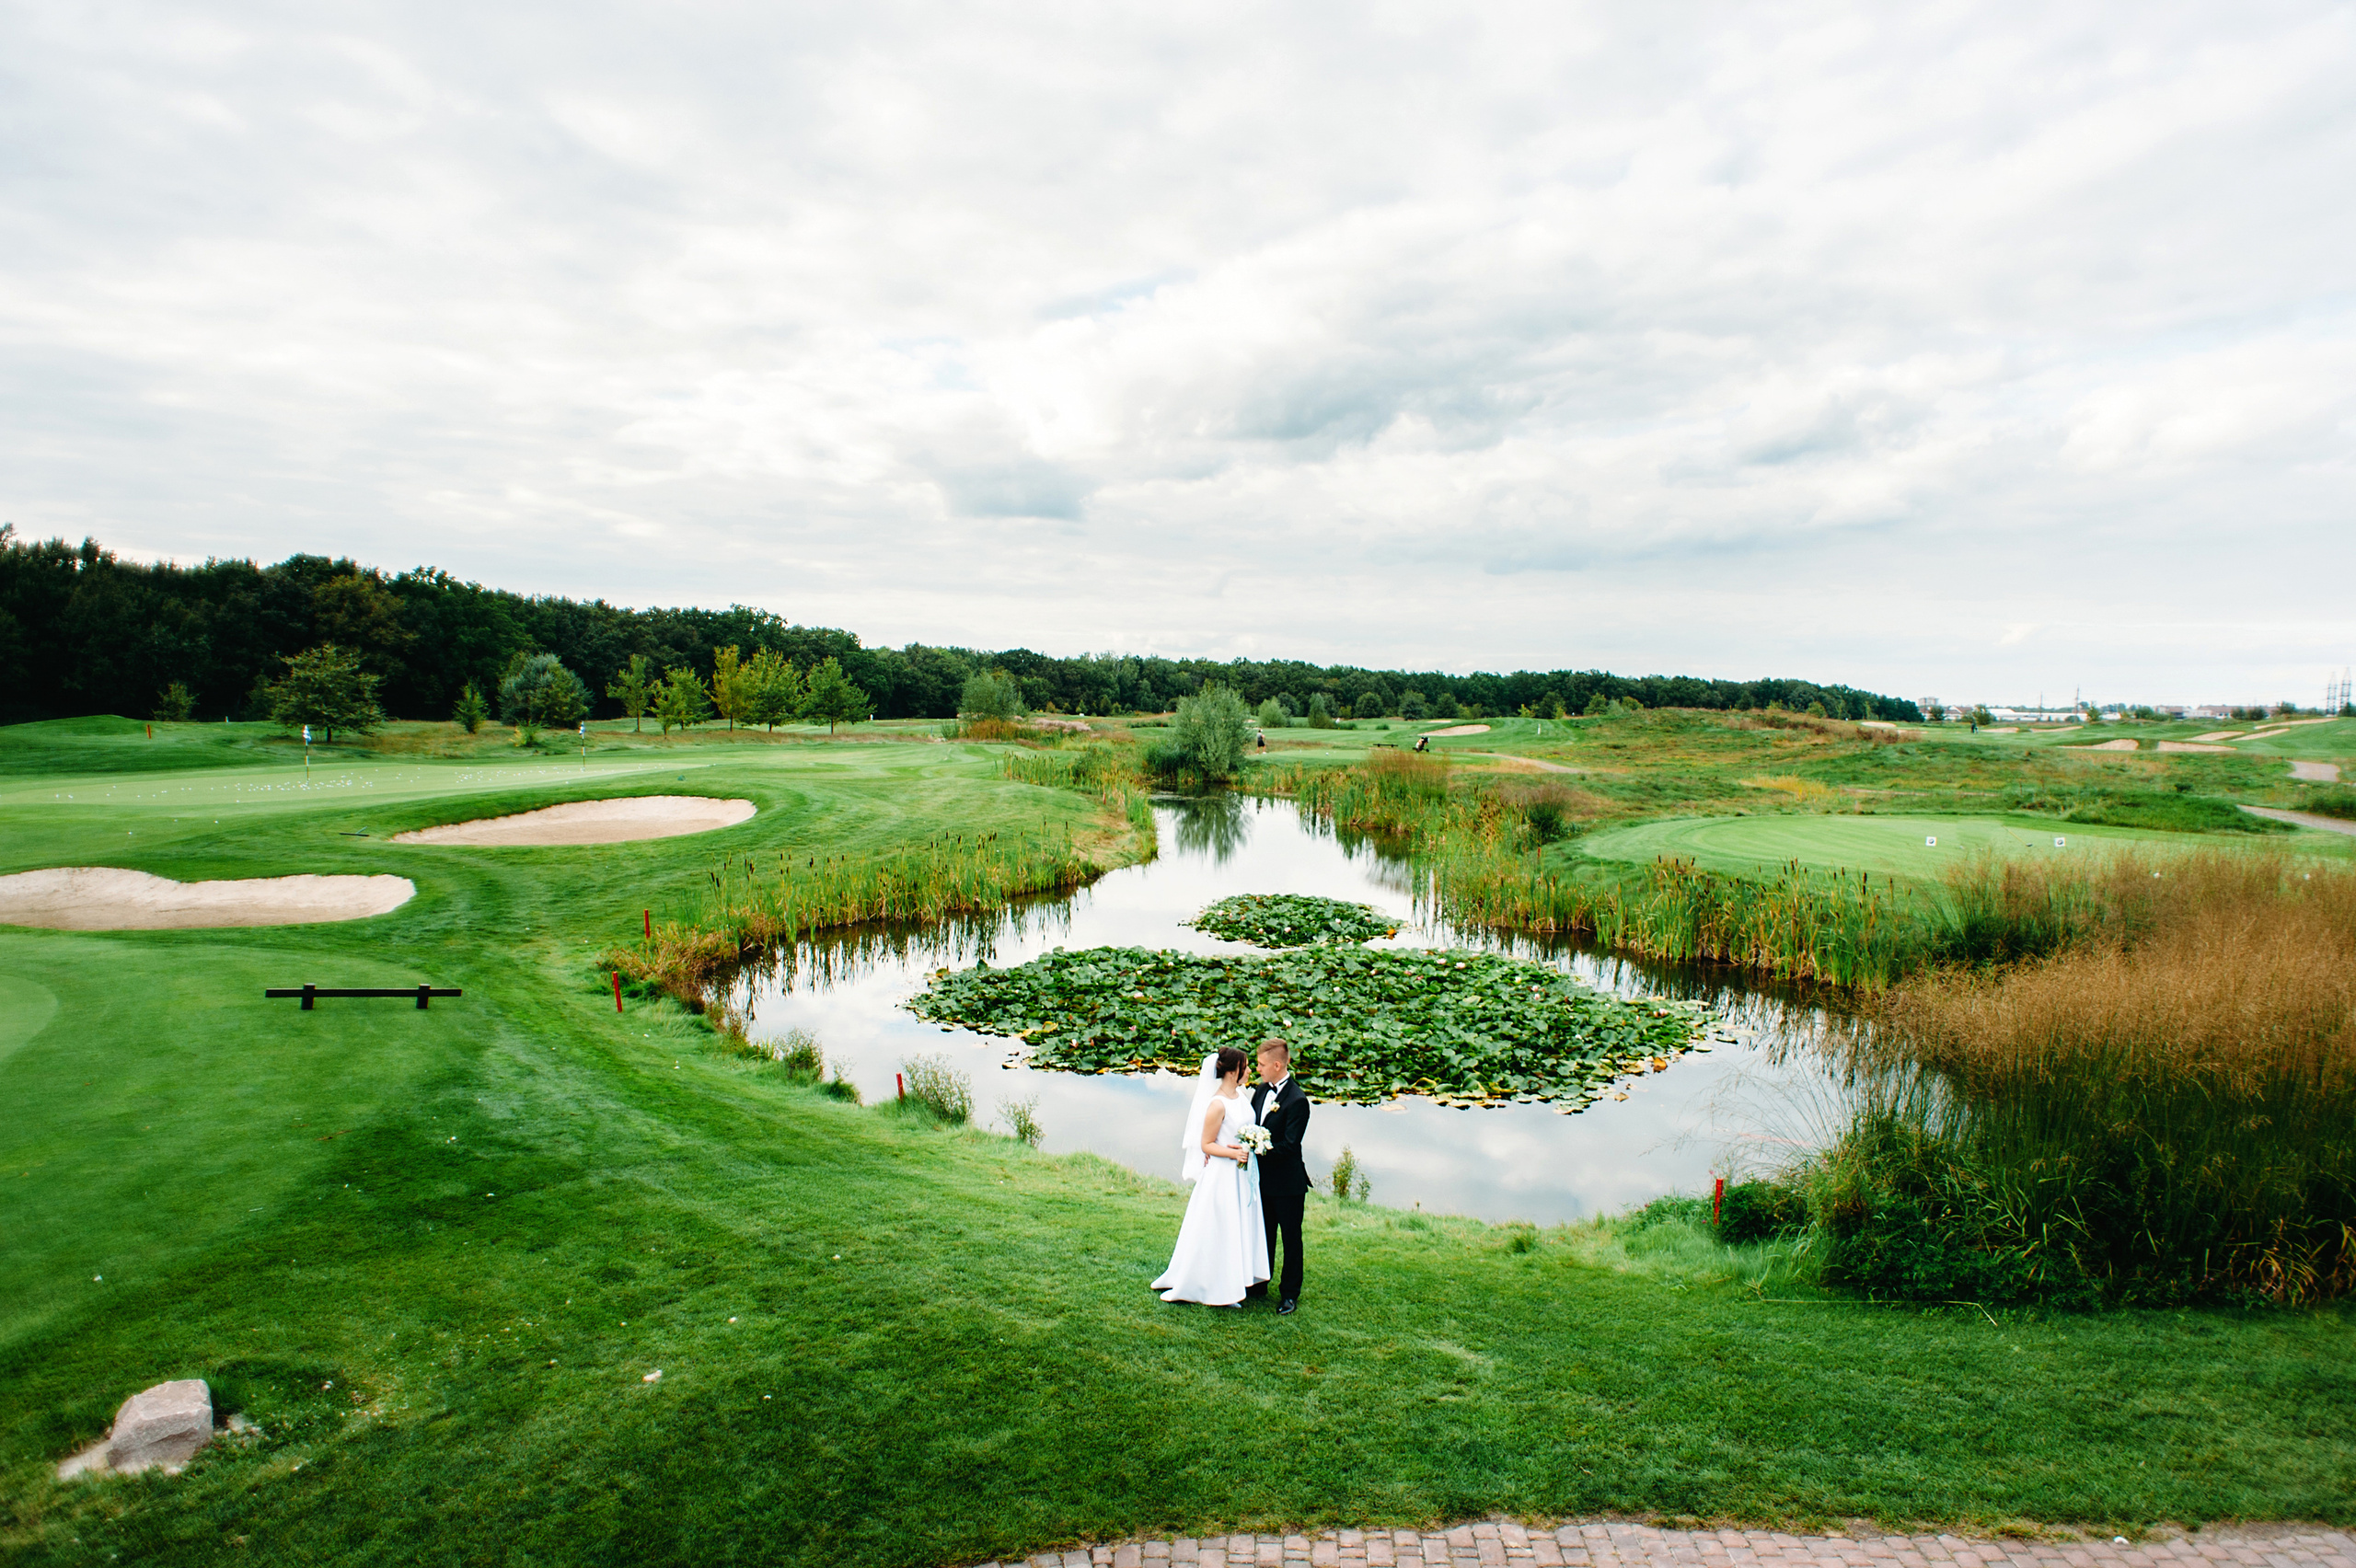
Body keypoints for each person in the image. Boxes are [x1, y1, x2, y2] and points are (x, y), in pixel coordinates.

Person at [1149, 1047, 1270, 1308]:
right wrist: (1232, 1153)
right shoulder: (1216, 1104)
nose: (1249, 1071)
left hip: (1242, 1175)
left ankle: (1234, 1280)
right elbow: (1206, 1144)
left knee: (1236, 1226)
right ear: (1231, 1071)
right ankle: (1212, 1286)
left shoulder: (1241, 1095)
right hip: (1223, 1175)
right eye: (1245, 1067)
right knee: (1220, 1227)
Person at [1245, 1037, 1311, 1314]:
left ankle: (1289, 1294)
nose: (1257, 1069)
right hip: (1263, 1181)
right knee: (1265, 1232)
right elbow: (1252, 1124)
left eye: (1260, 1064)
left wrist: (1258, 1149)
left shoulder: (1297, 1101)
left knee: (1291, 1239)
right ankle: (1261, 1281)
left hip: (1288, 1183)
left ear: (1276, 1064)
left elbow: (1290, 1146)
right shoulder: (1261, 1091)